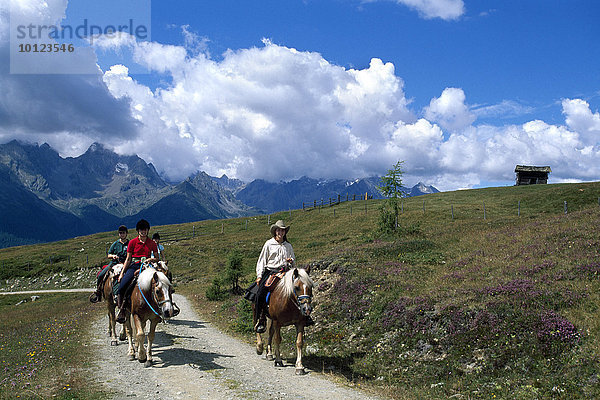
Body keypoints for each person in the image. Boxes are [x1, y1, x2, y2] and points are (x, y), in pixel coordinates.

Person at [252, 220, 296, 333]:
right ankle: (260, 319)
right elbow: (262, 260)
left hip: (285, 272)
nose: (280, 232)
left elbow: (293, 261)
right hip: (270, 271)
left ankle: (302, 315)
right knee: (260, 292)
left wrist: (291, 261)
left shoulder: (288, 246)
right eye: (279, 230)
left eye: (283, 230)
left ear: (285, 232)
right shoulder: (268, 244)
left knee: (299, 289)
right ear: (275, 231)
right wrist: (259, 276)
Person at [115, 219, 160, 323]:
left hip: (147, 266)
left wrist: (151, 259)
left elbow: (157, 258)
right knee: (122, 286)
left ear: (148, 231)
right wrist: (122, 273)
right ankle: (121, 310)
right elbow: (128, 259)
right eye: (141, 230)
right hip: (134, 266)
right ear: (138, 231)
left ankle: (160, 309)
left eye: (145, 230)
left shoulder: (152, 243)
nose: (143, 232)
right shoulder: (132, 242)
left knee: (160, 283)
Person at [89, 225, 129, 303]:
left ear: (126, 233)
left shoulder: (130, 244)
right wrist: (113, 256)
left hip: (125, 264)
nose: (122, 234)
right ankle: (98, 293)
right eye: (120, 233)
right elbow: (109, 255)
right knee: (101, 275)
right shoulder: (115, 244)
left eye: (123, 233)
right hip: (114, 264)